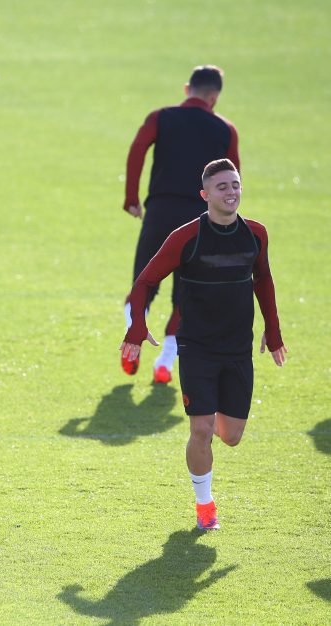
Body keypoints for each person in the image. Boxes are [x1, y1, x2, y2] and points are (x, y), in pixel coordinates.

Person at [120, 158, 286, 530]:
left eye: (236, 185)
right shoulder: (185, 237)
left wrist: (272, 331)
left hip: (238, 349)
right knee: (201, 430)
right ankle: (204, 505)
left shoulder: (255, 234)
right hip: (196, 348)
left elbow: (264, 281)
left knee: (231, 437)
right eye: (223, 186)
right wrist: (136, 329)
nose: (231, 192)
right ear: (205, 194)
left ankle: (209, 431)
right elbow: (144, 282)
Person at [122, 65, 239, 383]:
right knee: (188, 296)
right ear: (214, 97)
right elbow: (232, 181)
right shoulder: (225, 129)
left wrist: (131, 196)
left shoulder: (161, 117)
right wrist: (229, 221)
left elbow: (137, 150)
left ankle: (131, 340)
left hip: (160, 211)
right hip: (200, 223)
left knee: (142, 283)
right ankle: (165, 362)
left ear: (187, 89)